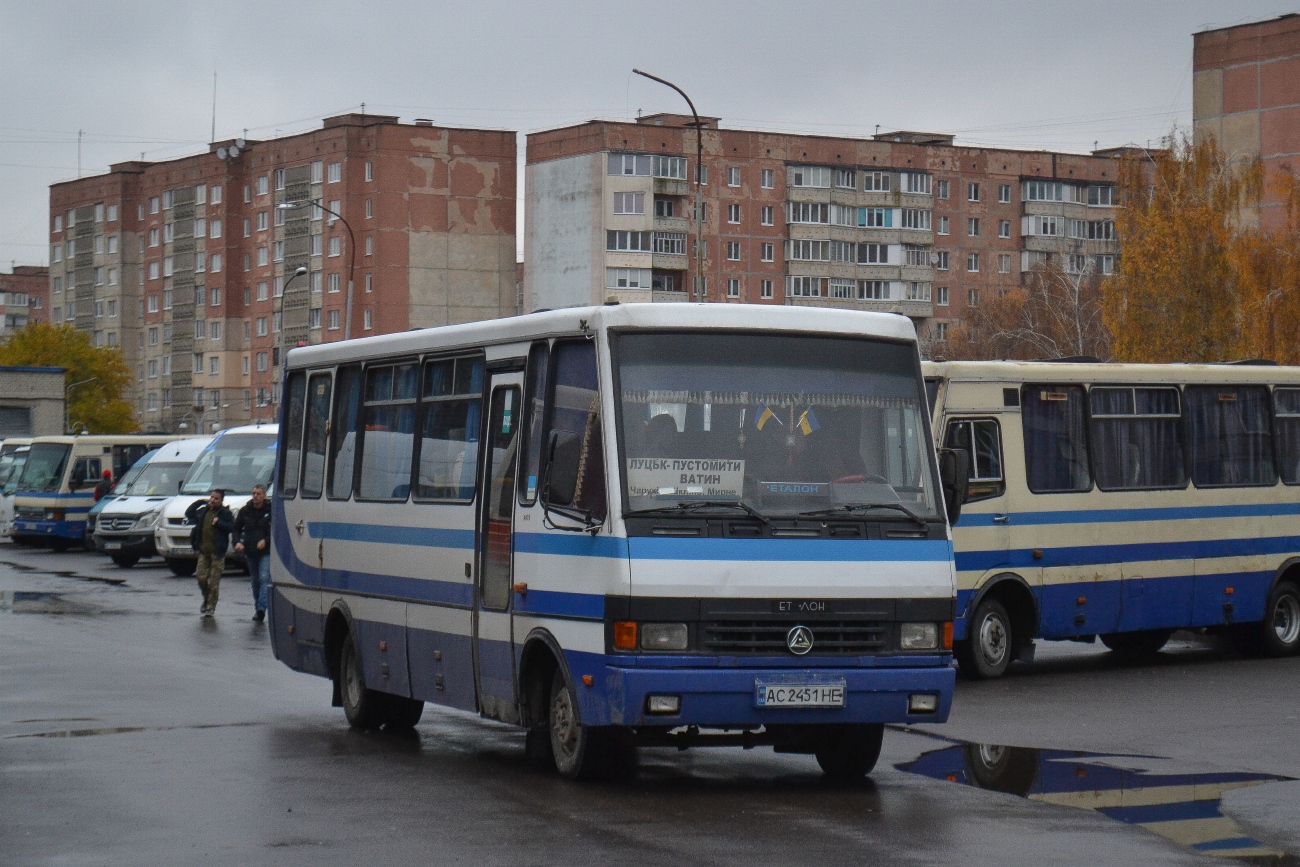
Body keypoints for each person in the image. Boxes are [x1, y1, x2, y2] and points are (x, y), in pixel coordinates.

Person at [185, 489, 234, 618]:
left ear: (221, 500)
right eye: (212, 497)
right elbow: (189, 513)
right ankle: (207, 598)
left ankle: (210, 607)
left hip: (217, 553)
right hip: (203, 551)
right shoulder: (204, 511)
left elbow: (231, 527)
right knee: (201, 578)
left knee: (214, 581)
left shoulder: (225, 513)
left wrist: (219, 523)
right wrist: (200, 502)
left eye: (216, 498)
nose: (213, 500)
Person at [234, 484, 272, 623]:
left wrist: (266, 541)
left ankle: (262, 608)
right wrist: (237, 542)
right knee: (255, 581)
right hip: (250, 550)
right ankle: (258, 609)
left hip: (265, 550)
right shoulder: (245, 510)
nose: (255, 496)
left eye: (258, 493)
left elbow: (275, 529)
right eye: (253, 493)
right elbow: (236, 528)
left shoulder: (271, 510)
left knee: (264, 578)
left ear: (264, 496)